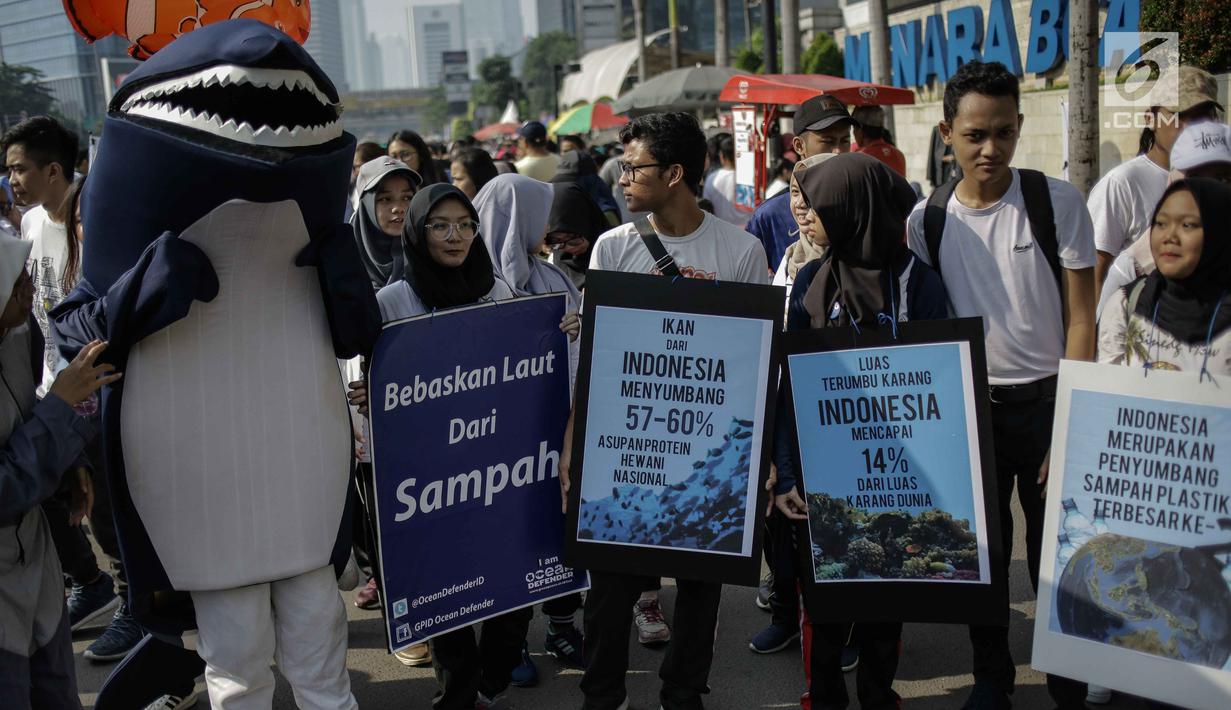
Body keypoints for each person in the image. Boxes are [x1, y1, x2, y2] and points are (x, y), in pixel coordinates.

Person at [905, 60, 1097, 710]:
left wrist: (1070, 423)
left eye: (1003, 133)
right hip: (969, 414)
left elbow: (1080, 316)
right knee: (982, 558)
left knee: (1062, 561)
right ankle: (992, 678)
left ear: (1018, 129)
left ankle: (1070, 682)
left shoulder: (1055, 202)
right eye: (974, 135)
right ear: (946, 134)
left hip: (1049, 406)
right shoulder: (925, 220)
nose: (989, 149)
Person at [561, 111, 769, 710]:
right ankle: (603, 694)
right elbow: (597, 362)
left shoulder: (741, 250)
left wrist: (759, 460)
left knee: (702, 587)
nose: (621, 179)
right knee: (609, 586)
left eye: (634, 168)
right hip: (625, 452)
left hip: (710, 453)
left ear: (675, 173)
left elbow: (756, 364)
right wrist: (576, 438)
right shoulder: (613, 248)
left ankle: (683, 692)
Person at [347, 183, 578, 709]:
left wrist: (565, 331)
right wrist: (370, 392)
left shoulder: (497, 293)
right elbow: (376, 381)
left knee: (511, 587)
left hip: (498, 472)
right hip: (430, 479)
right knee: (443, 588)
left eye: (466, 226)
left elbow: (532, 366)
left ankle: (490, 679)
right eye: (441, 226)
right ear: (417, 231)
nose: (456, 237)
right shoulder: (392, 301)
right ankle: (457, 691)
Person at [777, 152, 947, 710]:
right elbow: (790, 387)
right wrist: (787, 474)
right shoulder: (811, 281)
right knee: (824, 608)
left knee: (884, 600)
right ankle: (823, 696)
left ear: (854, 208)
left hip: (897, 476)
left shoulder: (916, 282)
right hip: (822, 477)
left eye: (819, 205)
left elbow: (943, 382)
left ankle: (880, 694)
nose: (805, 215)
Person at [2, 117, 123, 640]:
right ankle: (94, 587)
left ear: (54, 170)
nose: (13, 181)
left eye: (20, 169)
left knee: (107, 509)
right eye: (9, 171)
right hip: (52, 388)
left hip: (93, 385)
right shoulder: (28, 226)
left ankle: (134, 606)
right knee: (61, 499)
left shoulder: (90, 218)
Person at [0, 233, 120, 710]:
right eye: (15, 284)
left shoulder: (18, 333)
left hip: (37, 559)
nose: (31, 290)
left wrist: (72, 460)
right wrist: (61, 407)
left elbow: (26, 413)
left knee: (55, 690)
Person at [1089, 66, 1221, 295]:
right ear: (1151, 118)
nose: (1191, 127)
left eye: (1202, 117)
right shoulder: (1123, 183)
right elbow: (1093, 274)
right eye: (1178, 115)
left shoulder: (1218, 184)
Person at [1097, 121, 1231, 320]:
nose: (1207, 189)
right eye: (1195, 178)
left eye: (1221, 179)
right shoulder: (1133, 267)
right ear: (1173, 181)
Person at [1098, 177, 1230, 375]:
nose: (1169, 237)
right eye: (1161, 223)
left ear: (1219, 232)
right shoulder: (1126, 304)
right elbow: (1107, 391)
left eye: (1187, 225)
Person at [747, 94, 855, 275]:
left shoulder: (866, 203)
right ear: (799, 146)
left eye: (844, 141)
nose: (837, 151)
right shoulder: (770, 215)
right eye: (827, 141)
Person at [351, 157, 423, 289]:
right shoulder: (344, 260)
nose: (399, 208)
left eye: (407, 198)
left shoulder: (428, 253)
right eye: (386, 199)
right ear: (366, 206)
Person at [546, 182, 610, 291]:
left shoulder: (617, 250)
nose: (569, 248)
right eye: (556, 242)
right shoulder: (553, 265)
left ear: (589, 225)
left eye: (574, 240)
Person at [551, 150, 620, 226]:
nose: (565, 189)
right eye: (561, 183)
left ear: (590, 182)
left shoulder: (605, 215)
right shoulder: (559, 211)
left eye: (572, 185)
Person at [701, 135, 750, 227]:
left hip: (720, 230)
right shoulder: (747, 178)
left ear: (722, 157)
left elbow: (707, 209)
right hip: (746, 232)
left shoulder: (712, 179)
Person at [851, 106, 906, 177]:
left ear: (860, 131)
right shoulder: (898, 155)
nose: (853, 133)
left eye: (854, 129)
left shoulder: (859, 158)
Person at [346, 141, 386, 222]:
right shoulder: (351, 190)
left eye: (357, 166)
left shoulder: (386, 190)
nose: (354, 172)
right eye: (353, 167)